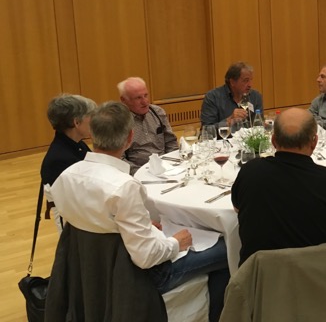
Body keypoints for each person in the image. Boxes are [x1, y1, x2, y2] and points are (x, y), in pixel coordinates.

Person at [50, 101, 230, 321]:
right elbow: (146, 257)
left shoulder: (66, 176)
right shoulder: (124, 187)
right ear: (130, 138)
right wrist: (176, 243)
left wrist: (139, 226)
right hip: (134, 278)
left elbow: (97, 222)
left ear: (92, 134)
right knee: (227, 249)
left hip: (87, 272)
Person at [231, 108, 326, 265]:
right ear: (314, 142)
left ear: (273, 141)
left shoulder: (250, 172)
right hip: (320, 276)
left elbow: (237, 209)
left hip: (259, 277)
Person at [118, 77, 178, 175]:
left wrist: (173, 164)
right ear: (124, 100)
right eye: (138, 98)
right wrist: (142, 174)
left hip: (166, 168)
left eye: (145, 95)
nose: (145, 102)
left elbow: (171, 142)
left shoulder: (157, 112)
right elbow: (119, 159)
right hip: (137, 172)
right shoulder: (118, 122)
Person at [41, 94, 97, 186]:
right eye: (91, 117)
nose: (95, 121)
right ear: (77, 122)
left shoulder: (77, 143)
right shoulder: (61, 160)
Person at [201, 62, 263, 127]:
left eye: (251, 80)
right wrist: (229, 121)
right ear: (232, 82)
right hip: (226, 134)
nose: (250, 85)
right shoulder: (213, 97)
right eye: (246, 80)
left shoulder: (255, 96)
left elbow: (259, 125)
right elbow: (207, 129)